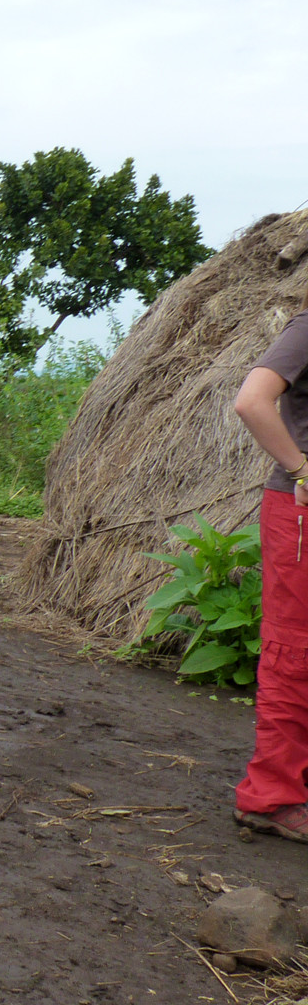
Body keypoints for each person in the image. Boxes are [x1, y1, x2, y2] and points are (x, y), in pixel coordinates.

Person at [231, 307, 308, 841]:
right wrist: (301, 469)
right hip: (301, 513)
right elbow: (251, 401)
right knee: (295, 649)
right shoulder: (307, 329)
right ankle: (271, 796)